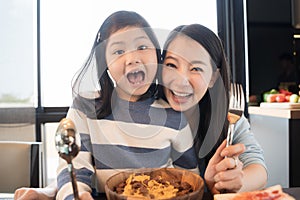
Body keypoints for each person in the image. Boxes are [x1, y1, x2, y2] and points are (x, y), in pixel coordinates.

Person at [15, 11, 199, 200]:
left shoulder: (174, 115)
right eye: (119, 51)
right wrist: (75, 196)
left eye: (142, 46)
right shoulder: (85, 108)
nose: (132, 58)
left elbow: (190, 180)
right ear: (105, 62)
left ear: (157, 54)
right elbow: (74, 170)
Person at [159, 24, 268, 194]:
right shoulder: (144, 115)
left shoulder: (229, 118)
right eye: (171, 65)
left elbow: (258, 169)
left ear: (213, 78)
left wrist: (233, 183)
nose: (181, 80)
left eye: (196, 69)